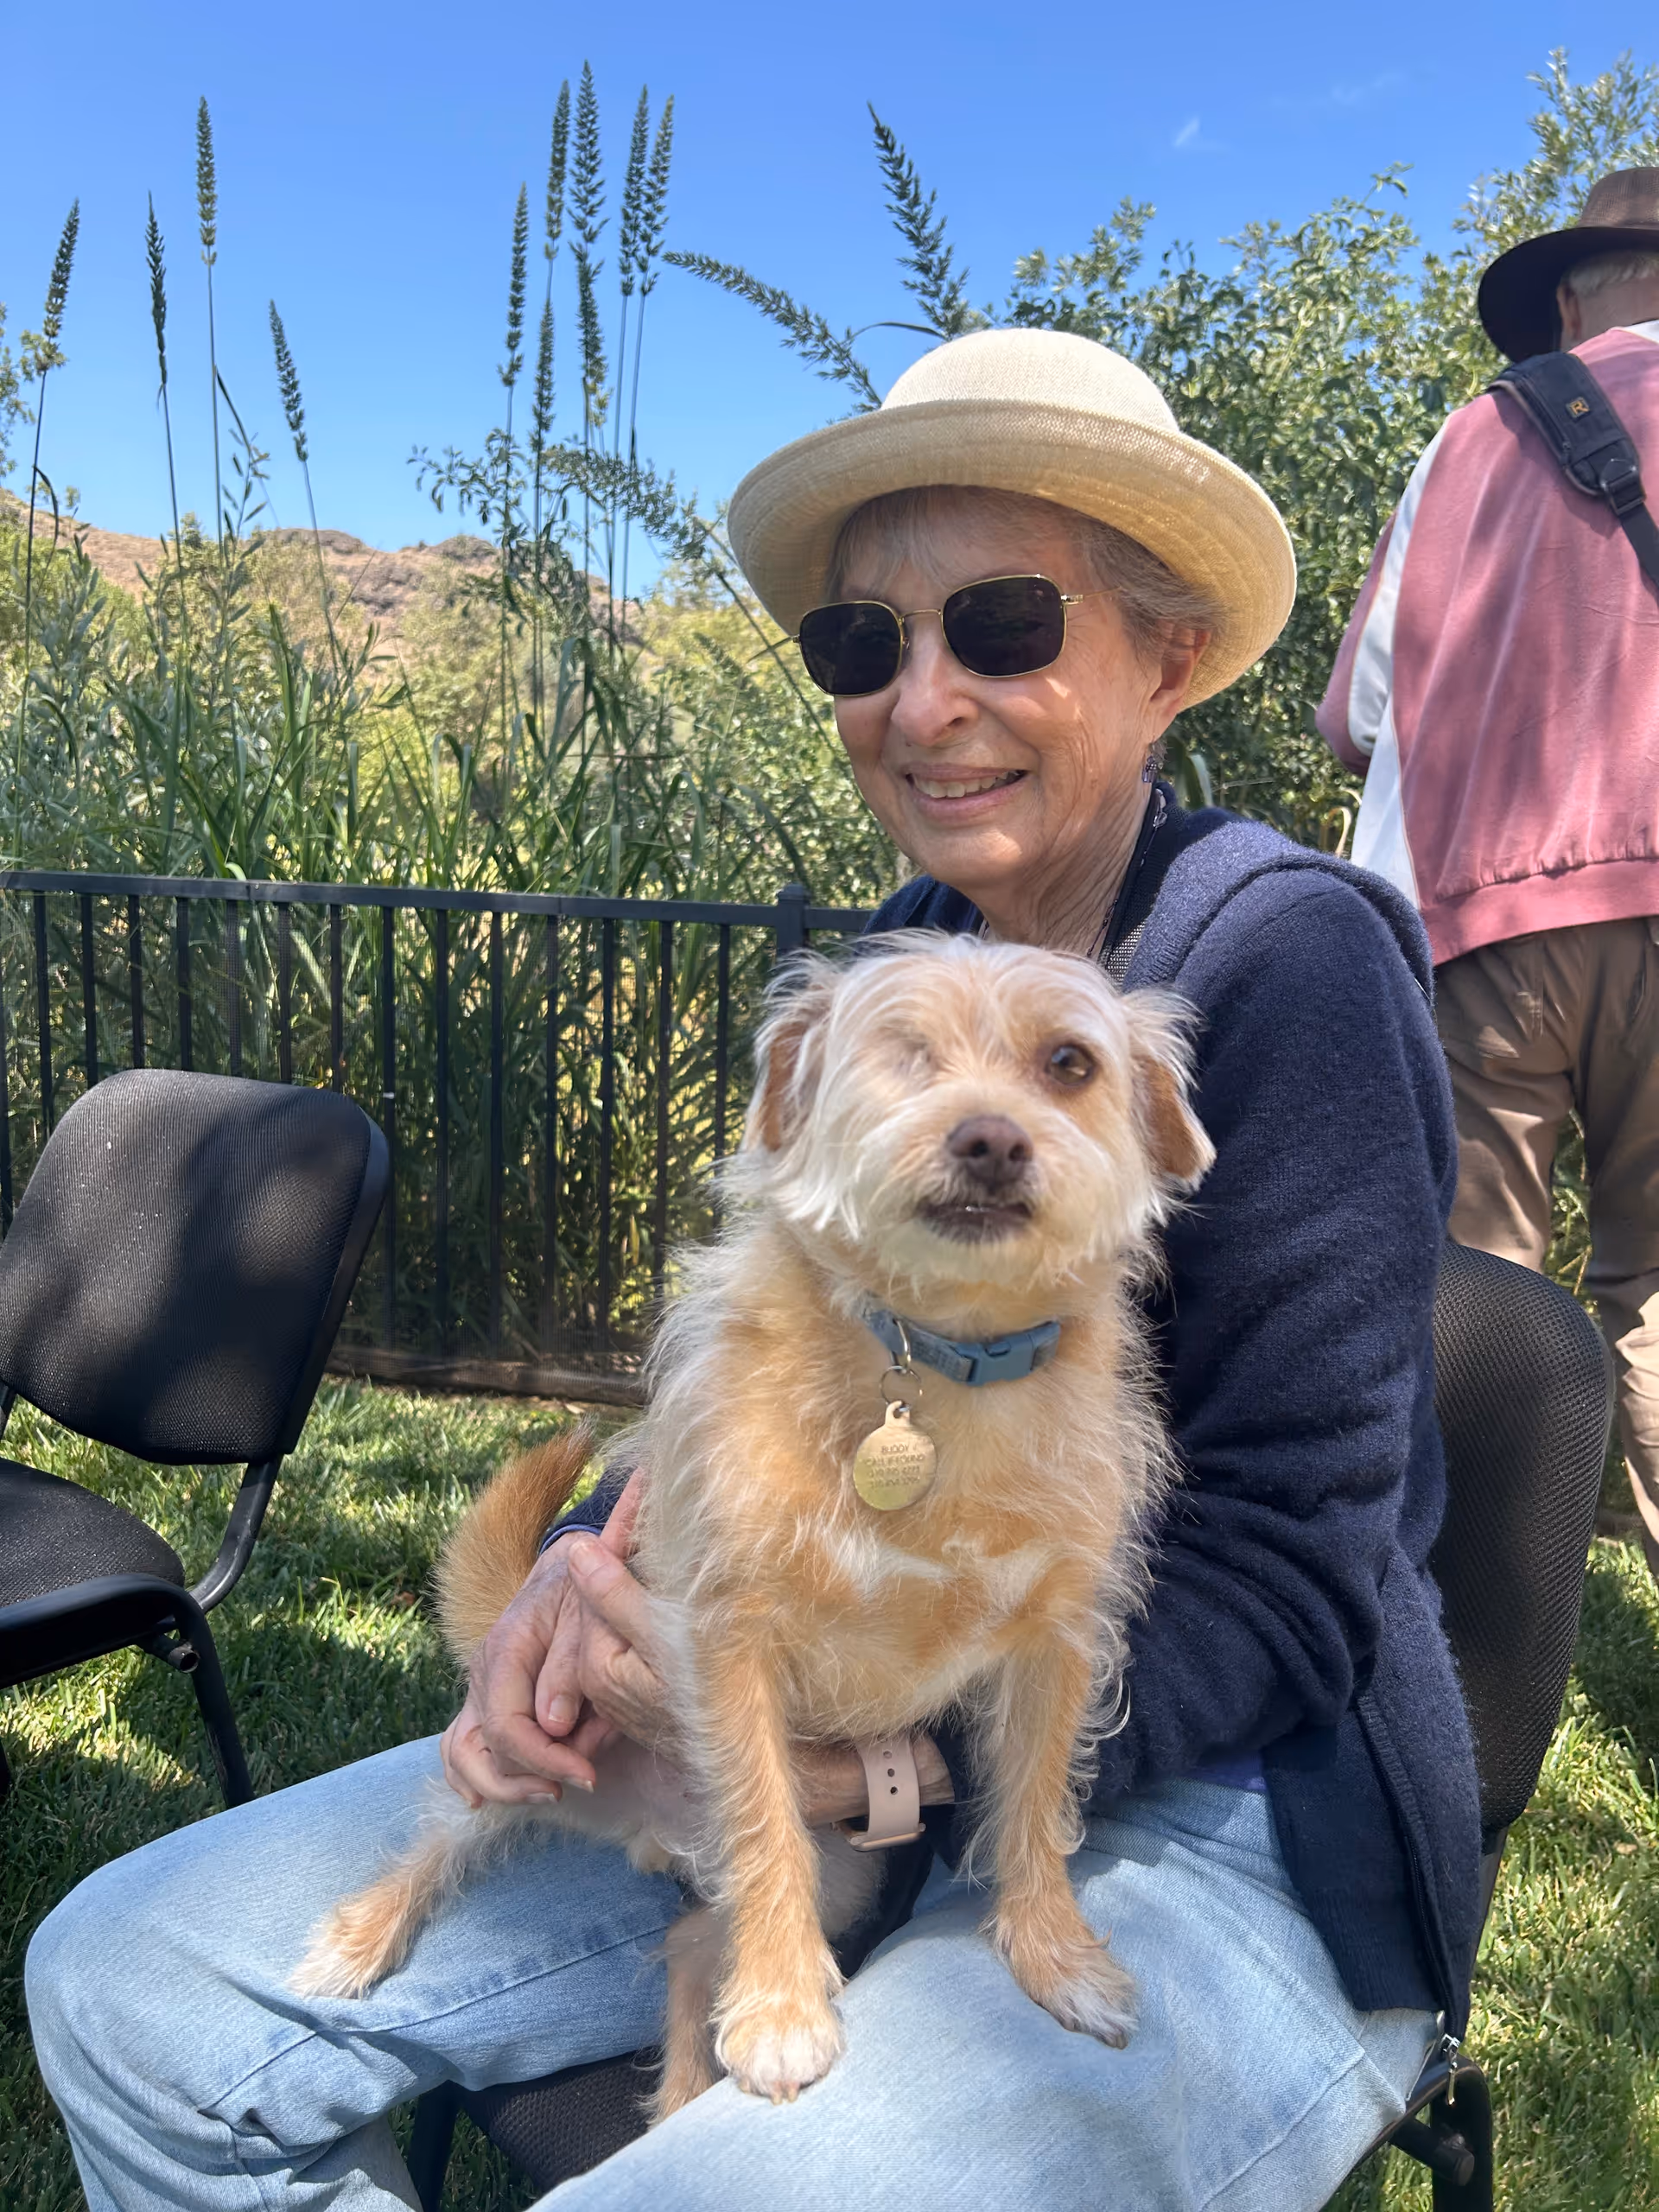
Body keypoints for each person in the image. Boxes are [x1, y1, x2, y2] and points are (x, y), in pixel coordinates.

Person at [27, 327, 1480, 2211]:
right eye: (866, 646)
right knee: (127, 1984)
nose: (926, 697)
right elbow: (777, 1348)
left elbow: (1291, 1569)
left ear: (1168, 654)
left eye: (1006, 622)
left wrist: (880, 1768)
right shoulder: (897, 953)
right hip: (801, 1712)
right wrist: (594, 1559)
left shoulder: (1293, 966)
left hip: (1229, 1806)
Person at [1317, 168, 1659, 1581]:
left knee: (1488, 1298)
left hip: (1491, 922)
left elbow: (1356, 717)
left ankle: (1480, 1657)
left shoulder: (1474, 436)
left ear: (1571, 299)